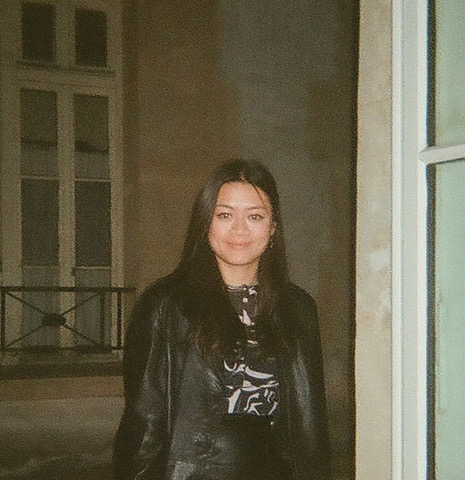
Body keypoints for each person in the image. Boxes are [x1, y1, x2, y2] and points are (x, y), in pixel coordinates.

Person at [113, 159, 331, 480]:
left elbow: (310, 422)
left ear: (273, 229)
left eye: (255, 216)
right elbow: (144, 418)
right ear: (205, 225)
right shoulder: (166, 304)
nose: (239, 229)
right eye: (224, 215)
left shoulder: (298, 308)